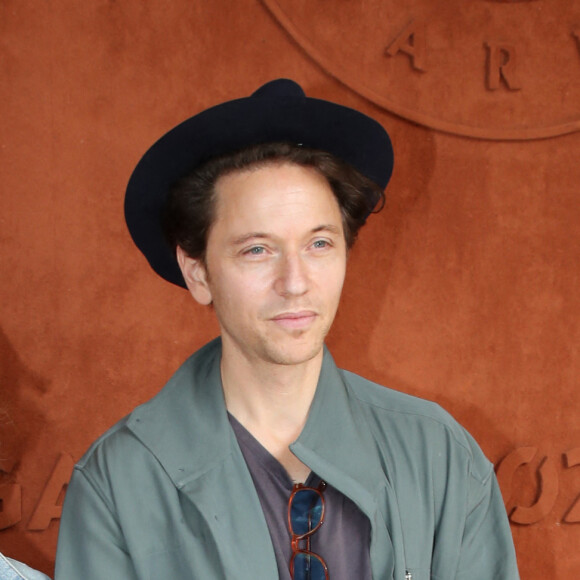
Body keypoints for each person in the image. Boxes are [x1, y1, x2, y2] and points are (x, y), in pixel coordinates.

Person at [55, 79, 520, 579]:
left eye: (319, 244)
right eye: (257, 249)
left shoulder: (439, 456)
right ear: (198, 273)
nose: (295, 283)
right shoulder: (119, 483)